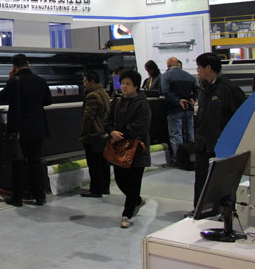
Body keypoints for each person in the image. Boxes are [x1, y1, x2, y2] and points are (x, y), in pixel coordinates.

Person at [187, 53, 245, 214]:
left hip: (222, 144)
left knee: (223, 180)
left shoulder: (229, 89)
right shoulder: (203, 89)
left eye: (199, 67)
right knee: (201, 178)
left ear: (208, 68)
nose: (197, 70)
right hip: (203, 142)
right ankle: (199, 209)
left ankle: (226, 211)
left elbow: (242, 116)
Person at [0, 53, 52, 207]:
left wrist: (10, 79)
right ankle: (39, 196)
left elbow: (2, 97)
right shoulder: (41, 80)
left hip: (20, 129)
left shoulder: (14, 82)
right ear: (28, 63)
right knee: (35, 162)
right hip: (38, 128)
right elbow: (48, 101)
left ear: (14, 67)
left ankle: (18, 198)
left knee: (18, 164)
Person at [104, 70, 151, 228]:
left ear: (136, 86)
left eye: (128, 84)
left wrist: (121, 134)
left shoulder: (142, 104)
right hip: (119, 149)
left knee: (134, 182)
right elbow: (107, 121)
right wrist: (111, 132)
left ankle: (127, 215)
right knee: (120, 180)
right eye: (123, 83)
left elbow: (141, 125)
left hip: (137, 150)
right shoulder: (117, 102)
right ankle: (136, 200)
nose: (124, 86)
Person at [160, 57, 198, 167]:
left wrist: (177, 101)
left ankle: (178, 160)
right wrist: (193, 99)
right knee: (190, 135)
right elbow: (197, 90)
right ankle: (191, 158)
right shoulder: (189, 76)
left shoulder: (166, 76)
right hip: (189, 110)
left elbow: (165, 91)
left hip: (174, 110)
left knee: (176, 135)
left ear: (168, 65)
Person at [79, 71, 111, 198]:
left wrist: (84, 132)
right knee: (103, 162)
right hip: (103, 133)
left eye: (85, 81)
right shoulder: (104, 93)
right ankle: (104, 187)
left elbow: (88, 116)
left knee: (94, 163)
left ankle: (95, 189)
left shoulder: (92, 95)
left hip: (93, 134)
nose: (84, 84)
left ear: (91, 82)